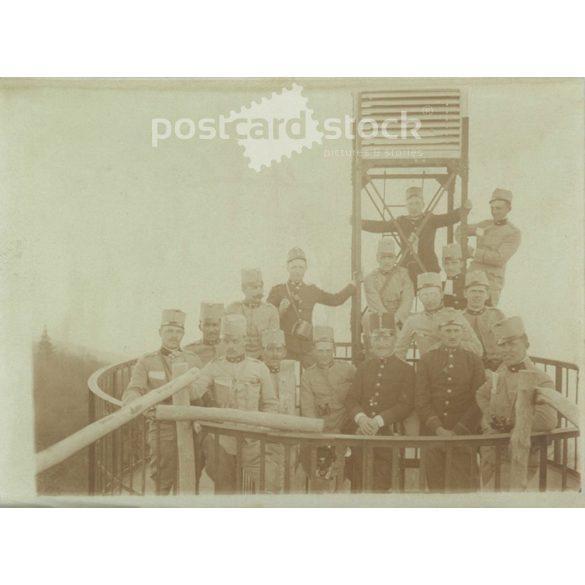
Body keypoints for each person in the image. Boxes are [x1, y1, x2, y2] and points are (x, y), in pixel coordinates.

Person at [189, 314, 279, 494]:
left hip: (253, 441)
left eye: (235, 341)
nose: (230, 346)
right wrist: (184, 375)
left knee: (268, 487)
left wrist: (261, 431)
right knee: (225, 491)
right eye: (226, 341)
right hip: (222, 441)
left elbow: (271, 404)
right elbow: (194, 391)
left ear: (244, 340)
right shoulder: (213, 367)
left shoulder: (259, 367)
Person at [122, 309, 202, 495]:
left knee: (190, 476)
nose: (174, 336)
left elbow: (201, 393)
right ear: (160, 333)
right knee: (162, 476)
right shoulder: (147, 361)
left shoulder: (193, 359)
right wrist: (134, 405)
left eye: (178, 331)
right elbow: (134, 389)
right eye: (169, 331)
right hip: (161, 426)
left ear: (183, 333)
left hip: (190, 426)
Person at [476, 317, 557, 489]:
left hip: (518, 457)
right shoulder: (502, 370)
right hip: (491, 453)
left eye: (512, 344)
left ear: (526, 344)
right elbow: (481, 394)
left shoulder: (540, 379)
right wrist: (491, 418)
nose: (506, 350)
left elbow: (548, 419)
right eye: (502, 345)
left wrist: (509, 423)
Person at [415, 308, 486, 492]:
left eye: (456, 330)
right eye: (448, 331)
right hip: (433, 434)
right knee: (436, 487)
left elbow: (479, 400)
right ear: (439, 333)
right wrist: (438, 428)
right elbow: (421, 399)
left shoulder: (474, 360)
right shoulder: (427, 360)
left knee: (465, 487)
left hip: (464, 433)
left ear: (463, 332)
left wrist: (459, 431)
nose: (452, 335)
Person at [345, 313, 415, 492]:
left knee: (380, 487)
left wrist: (378, 421)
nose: (382, 343)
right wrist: (361, 418)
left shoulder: (406, 370)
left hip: (387, 437)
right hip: (360, 436)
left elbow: (405, 405)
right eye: (377, 338)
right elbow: (351, 399)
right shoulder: (363, 368)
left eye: (387, 337)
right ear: (370, 341)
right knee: (358, 484)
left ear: (395, 339)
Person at [362, 186, 472, 283]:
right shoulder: (401, 221)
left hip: (428, 266)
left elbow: (449, 218)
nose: (413, 207)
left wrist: (464, 210)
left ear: (423, 204)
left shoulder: (430, 219)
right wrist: (361, 223)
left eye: (417, 203)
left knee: (432, 296)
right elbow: (381, 226)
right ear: (406, 206)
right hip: (407, 268)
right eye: (410, 204)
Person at [267, 247, 356, 367]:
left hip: (306, 347)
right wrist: (280, 311)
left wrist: (351, 286)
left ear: (305, 269)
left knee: (313, 377)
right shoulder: (278, 290)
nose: (297, 271)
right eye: (294, 267)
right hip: (285, 347)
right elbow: (267, 318)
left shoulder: (311, 290)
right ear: (287, 268)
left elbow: (335, 300)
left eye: (300, 267)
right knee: (286, 380)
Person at [300, 325, 356, 491]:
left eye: (328, 350)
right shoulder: (308, 376)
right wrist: (320, 436)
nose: (324, 355)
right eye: (320, 351)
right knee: (320, 480)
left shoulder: (348, 370)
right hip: (321, 433)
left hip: (346, 431)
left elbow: (358, 398)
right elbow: (308, 410)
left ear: (334, 350)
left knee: (345, 480)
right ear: (314, 352)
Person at [393, 272, 483, 361]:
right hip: (428, 372)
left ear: (441, 294)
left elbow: (478, 350)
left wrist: (449, 343)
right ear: (419, 297)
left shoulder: (456, 316)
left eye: (433, 294)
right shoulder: (413, 321)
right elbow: (399, 352)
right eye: (425, 295)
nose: (429, 299)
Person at [457, 188, 521, 306]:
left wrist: (472, 252)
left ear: (508, 209)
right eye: (492, 208)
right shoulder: (484, 225)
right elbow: (461, 229)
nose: (494, 212)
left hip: (491, 282)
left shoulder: (513, 233)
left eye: (498, 208)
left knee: (487, 316)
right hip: (472, 277)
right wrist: (463, 246)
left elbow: (499, 259)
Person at [261, 328, 304, 492]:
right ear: (262, 351)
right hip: (266, 437)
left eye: (279, 349)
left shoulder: (293, 372)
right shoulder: (257, 371)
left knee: (288, 482)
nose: (275, 354)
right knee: (268, 484)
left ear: (285, 351)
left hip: (289, 437)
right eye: (270, 348)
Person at [362, 237, 414, 336]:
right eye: (383, 257)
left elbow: (408, 300)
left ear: (395, 258)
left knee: (415, 322)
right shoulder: (370, 278)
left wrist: (397, 318)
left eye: (390, 257)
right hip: (380, 315)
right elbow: (375, 303)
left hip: (400, 316)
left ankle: (400, 350)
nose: (387, 261)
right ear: (377, 258)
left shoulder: (404, 274)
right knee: (367, 320)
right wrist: (389, 320)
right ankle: (372, 350)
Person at [226, 268, 279, 359]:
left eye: (261, 287)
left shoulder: (271, 311)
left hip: (262, 359)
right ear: (243, 288)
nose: (259, 292)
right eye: (254, 287)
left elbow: (273, 343)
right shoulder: (232, 309)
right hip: (237, 357)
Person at [462, 271, 505, 371]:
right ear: (465, 294)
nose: (477, 295)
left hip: (497, 368)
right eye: (473, 291)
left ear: (487, 295)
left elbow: (508, 343)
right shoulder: (459, 318)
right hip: (468, 369)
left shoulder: (497, 315)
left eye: (481, 291)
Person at [441, 243, 466, 310]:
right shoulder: (441, 285)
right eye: (446, 264)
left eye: (454, 263)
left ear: (461, 264)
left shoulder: (468, 282)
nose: (450, 267)